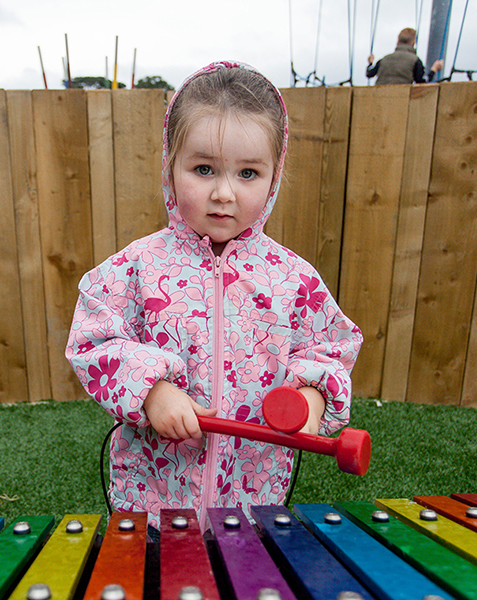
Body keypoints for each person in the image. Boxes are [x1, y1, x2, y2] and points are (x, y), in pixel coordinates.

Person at [65, 61, 363, 531]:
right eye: (203, 169)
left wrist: (312, 399)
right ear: (170, 166)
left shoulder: (293, 278)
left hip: (255, 499)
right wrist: (152, 393)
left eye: (248, 173)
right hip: (154, 502)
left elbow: (333, 350)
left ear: (274, 176)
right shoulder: (133, 268)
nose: (223, 193)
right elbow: (92, 342)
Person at [367, 27, 444, 84]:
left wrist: (370, 62)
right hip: (402, 98)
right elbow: (422, 81)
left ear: (397, 42)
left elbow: (369, 73)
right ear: (413, 43)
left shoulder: (383, 60)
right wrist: (434, 69)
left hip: (379, 98)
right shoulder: (415, 60)